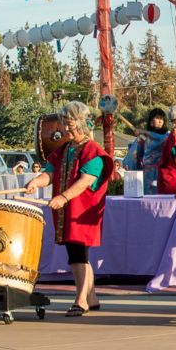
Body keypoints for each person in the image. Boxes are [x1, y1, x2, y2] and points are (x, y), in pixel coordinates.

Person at [26, 101, 113, 316]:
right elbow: (51, 172)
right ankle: (91, 297)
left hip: (82, 211)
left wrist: (63, 197)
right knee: (77, 255)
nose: (65, 128)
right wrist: (37, 182)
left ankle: (81, 299)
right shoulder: (64, 149)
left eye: (70, 123)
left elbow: (86, 180)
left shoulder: (92, 150)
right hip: (67, 210)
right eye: (64, 123)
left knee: (78, 255)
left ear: (82, 122)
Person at [122, 108, 169, 195]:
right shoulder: (143, 138)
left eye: (162, 118)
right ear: (151, 121)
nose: (160, 121)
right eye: (157, 118)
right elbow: (134, 156)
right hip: (148, 174)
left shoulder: (168, 136)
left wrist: (143, 131)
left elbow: (161, 139)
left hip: (164, 173)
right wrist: (133, 169)